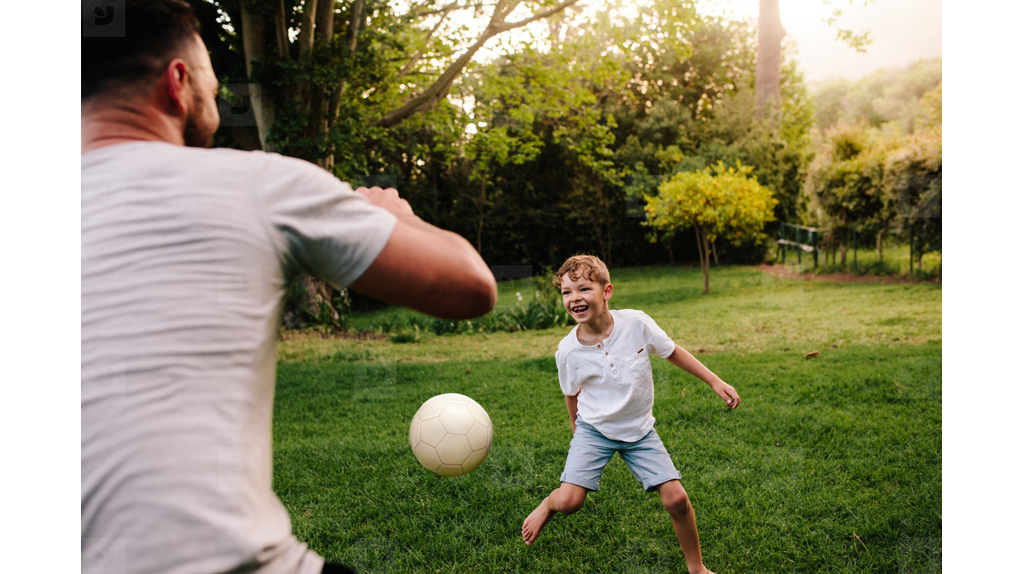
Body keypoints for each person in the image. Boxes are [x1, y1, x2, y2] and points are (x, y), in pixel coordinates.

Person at [81, 2, 497, 573]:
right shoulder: (254, 181)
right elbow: (470, 287)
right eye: (212, 83)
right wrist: (398, 215)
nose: (217, 99)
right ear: (178, 83)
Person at [520, 255, 740, 574]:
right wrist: (576, 432)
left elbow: (672, 351)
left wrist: (715, 380)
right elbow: (571, 395)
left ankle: (698, 569)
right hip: (594, 429)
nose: (574, 298)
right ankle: (548, 504)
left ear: (607, 291)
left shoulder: (636, 324)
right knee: (570, 502)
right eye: (567, 292)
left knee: (676, 499)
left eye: (583, 288)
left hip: (639, 430)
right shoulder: (568, 351)